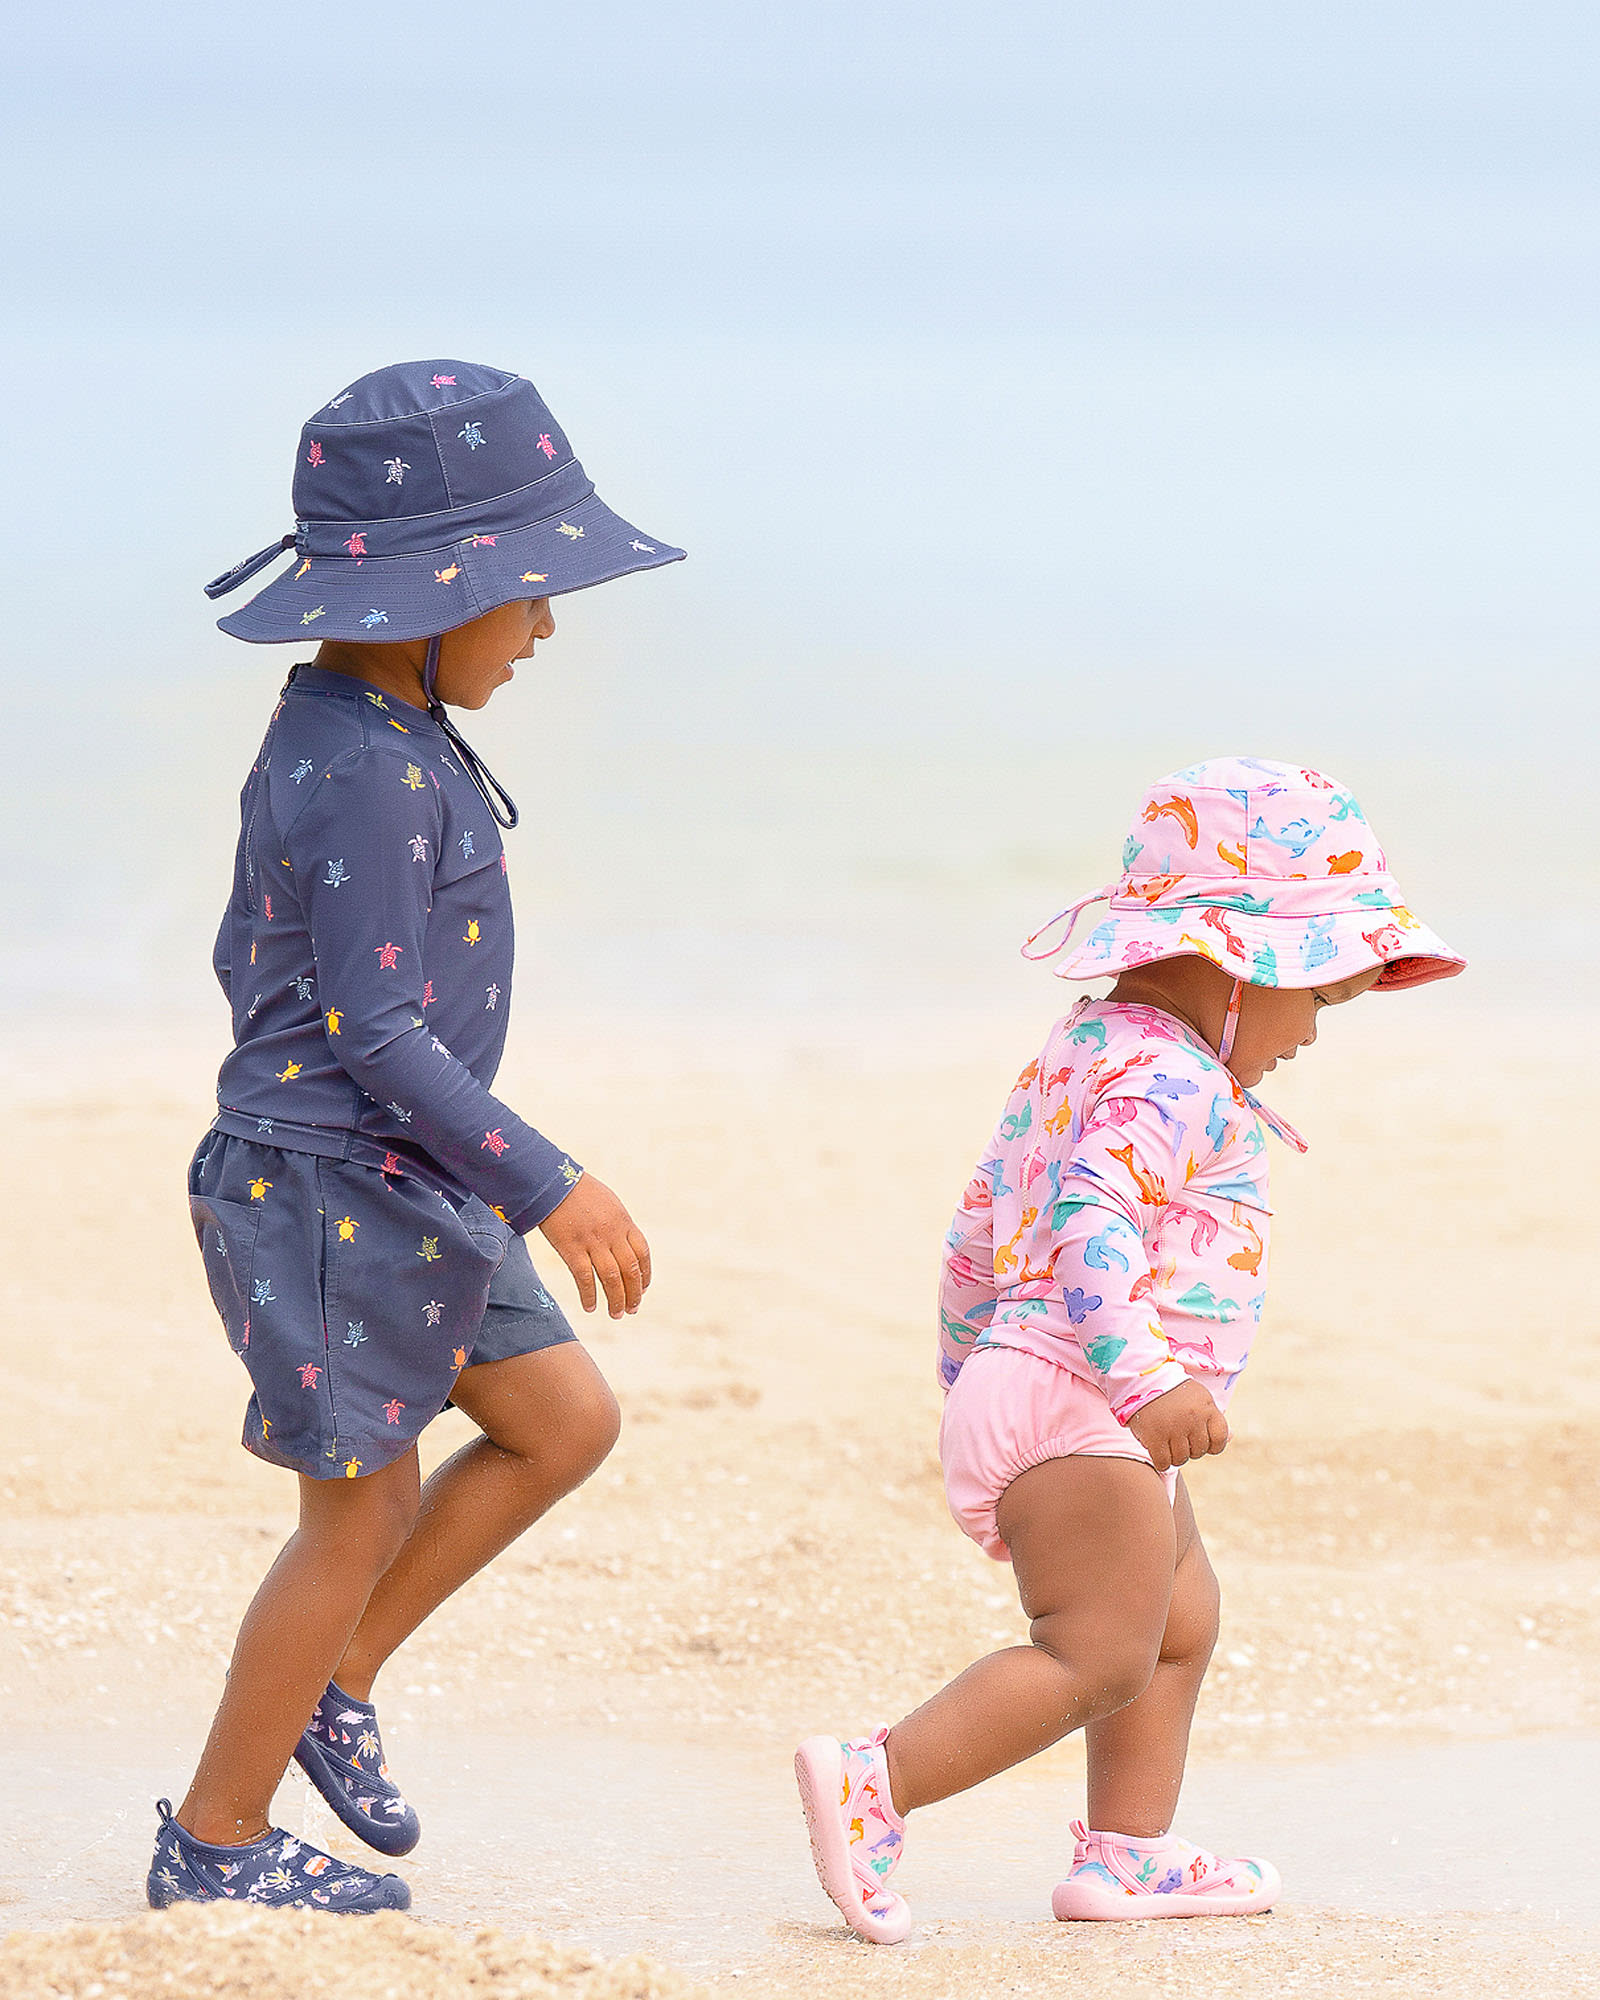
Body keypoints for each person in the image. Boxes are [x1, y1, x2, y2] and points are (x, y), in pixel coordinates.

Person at [147, 360, 684, 1913]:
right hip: (325, 1185)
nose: (547, 625)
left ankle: (339, 1671)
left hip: (409, 1176)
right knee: (364, 1501)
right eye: (528, 594)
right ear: (422, 601)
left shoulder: (372, 729)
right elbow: (372, 1036)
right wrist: (556, 1181)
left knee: (562, 1423)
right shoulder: (364, 769)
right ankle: (218, 1839)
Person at [795, 756, 1463, 1940]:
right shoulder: (1169, 1078)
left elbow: (978, 1223)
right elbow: (1088, 1222)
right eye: (1322, 995)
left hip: (1039, 1376)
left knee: (1178, 1616)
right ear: (1241, 965)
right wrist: (1141, 1380)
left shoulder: (1082, 1046)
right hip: (1092, 1387)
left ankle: (1129, 1854)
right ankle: (874, 1783)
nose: (1313, 1031)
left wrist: (970, 1383)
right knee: (1094, 1651)